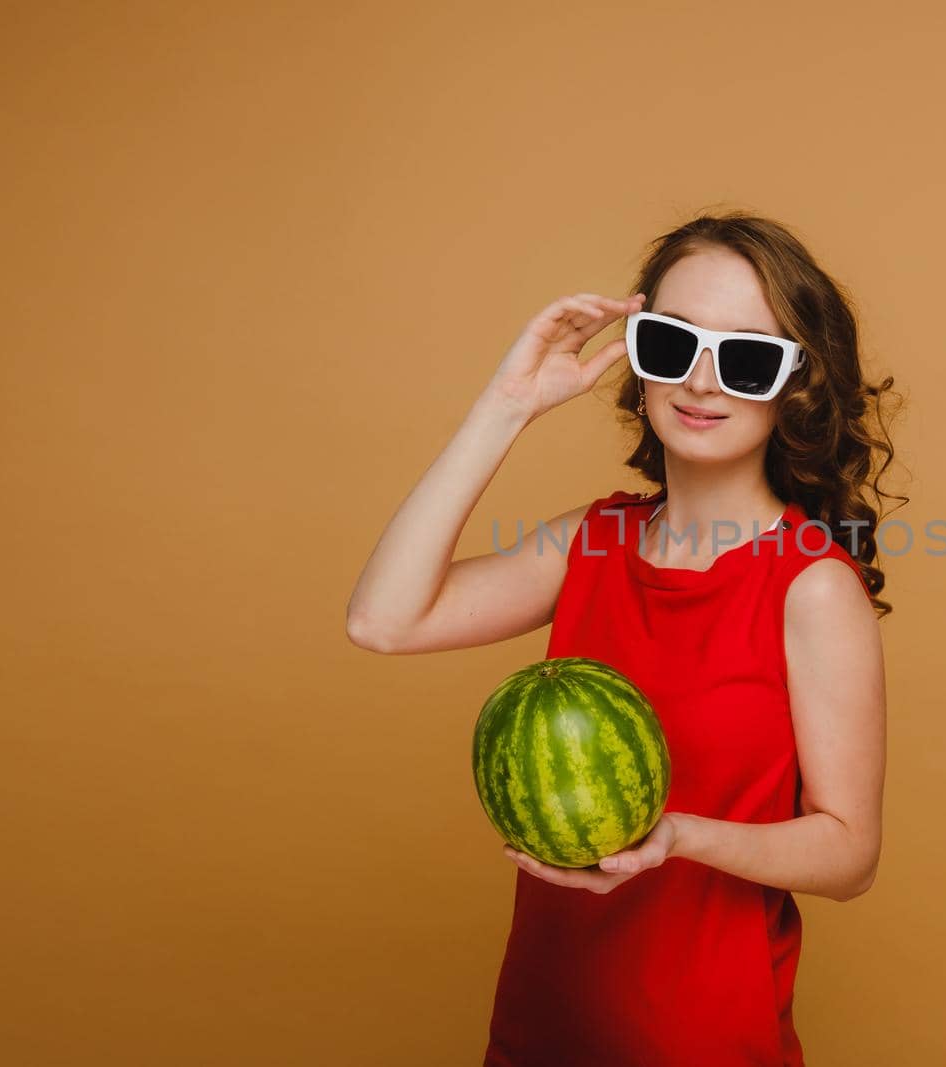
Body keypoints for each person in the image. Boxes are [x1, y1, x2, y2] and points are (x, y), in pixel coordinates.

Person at [346, 210, 903, 1065]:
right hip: (541, 1027)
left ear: (796, 385)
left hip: (703, 1042)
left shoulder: (811, 585)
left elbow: (849, 852)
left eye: (748, 357)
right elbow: (383, 621)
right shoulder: (592, 542)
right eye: (671, 344)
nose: (702, 382)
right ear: (639, 359)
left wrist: (678, 835)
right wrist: (505, 408)